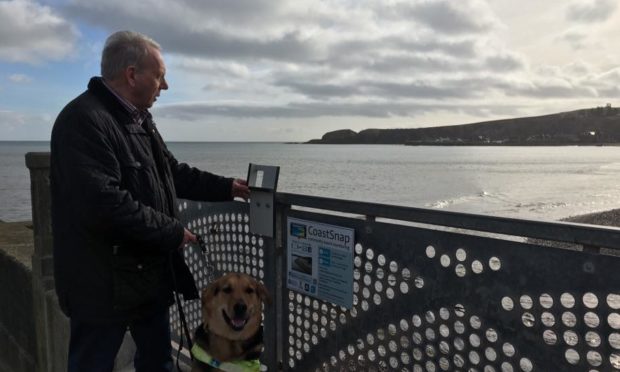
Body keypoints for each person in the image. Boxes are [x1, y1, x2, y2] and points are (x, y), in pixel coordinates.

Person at [50, 30, 249, 372]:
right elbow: (105, 203)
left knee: (158, 362)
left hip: (145, 278)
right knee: (91, 365)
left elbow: (172, 172)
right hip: (102, 286)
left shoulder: (138, 120)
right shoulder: (82, 120)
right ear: (131, 74)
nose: (165, 86)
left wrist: (228, 187)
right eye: (160, 76)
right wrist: (171, 231)